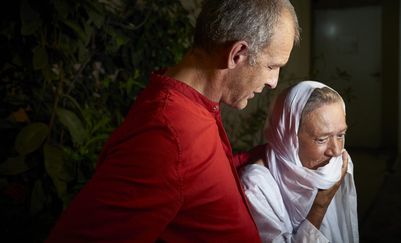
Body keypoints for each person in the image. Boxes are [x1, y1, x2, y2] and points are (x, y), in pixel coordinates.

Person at [47, 1, 343, 242]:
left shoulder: (193, 106)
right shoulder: (166, 136)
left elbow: (198, 173)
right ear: (237, 54)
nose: (272, 82)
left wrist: (269, 156)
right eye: (271, 66)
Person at [241, 81, 359, 242]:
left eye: (340, 135)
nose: (336, 150)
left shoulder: (333, 167)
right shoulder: (256, 186)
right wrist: (319, 207)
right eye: (322, 139)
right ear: (289, 138)